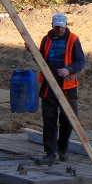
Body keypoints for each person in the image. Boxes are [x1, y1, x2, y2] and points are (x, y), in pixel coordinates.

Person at [37, 13, 86, 162]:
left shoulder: (73, 39)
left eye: (61, 27)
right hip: (48, 85)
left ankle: (62, 149)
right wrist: (32, 52)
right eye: (57, 27)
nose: (59, 30)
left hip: (67, 86)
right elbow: (41, 58)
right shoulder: (46, 39)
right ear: (52, 25)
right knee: (49, 119)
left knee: (68, 119)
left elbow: (80, 61)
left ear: (66, 26)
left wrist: (68, 70)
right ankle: (50, 153)